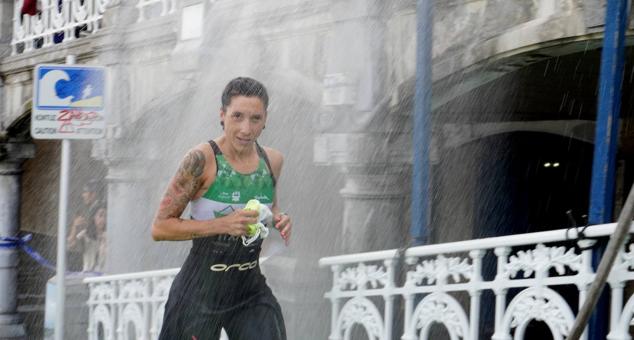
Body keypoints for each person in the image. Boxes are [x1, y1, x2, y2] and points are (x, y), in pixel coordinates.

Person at [152, 77, 292, 340]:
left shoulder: (272, 160)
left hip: (249, 290)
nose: (246, 129)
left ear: (265, 120)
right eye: (237, 116)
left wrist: (279, 219)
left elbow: (269, 207)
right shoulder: (201, 159)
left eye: (255, 119)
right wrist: (222, 224)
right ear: (222, 114)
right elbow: (160, 227)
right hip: (199, 292)